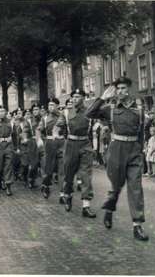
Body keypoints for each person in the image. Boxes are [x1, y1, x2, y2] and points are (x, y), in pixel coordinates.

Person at [86, 76, 149, 241]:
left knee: (135, 187)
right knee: (116, 186)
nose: (120, 92)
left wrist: (140, 150)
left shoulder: (139, 109)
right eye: (118, 89)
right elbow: (89, 113)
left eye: (123, 88)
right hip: (116, 150)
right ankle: (109, 208)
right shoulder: (110, 108)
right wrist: (101, 98)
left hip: (134, 150)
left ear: (129, 90)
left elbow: (141, 131)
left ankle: (137, 225)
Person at [55, 88, 96, 218]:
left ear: (83, 98)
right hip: (70, 145)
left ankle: (86, 206)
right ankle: (68, 196)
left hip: (85, 145)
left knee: (86, 175)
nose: (74, 99)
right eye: (73, 97)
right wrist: (56, 134)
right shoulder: (66, 112)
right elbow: (58, 126)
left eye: (78, 96)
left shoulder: (89, 111)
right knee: (68, 174)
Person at [38, 98, 65, 200]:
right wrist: (39, 139)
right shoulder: (44, 118)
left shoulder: (63, 116)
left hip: (61, 143)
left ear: (57, 106)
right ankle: (46, 186)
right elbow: (39, 130)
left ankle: (62, 194)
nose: (50, 107)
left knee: (62, 170)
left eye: (52, 105)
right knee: (49, 169)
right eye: (49, 105)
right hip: (50, 144)